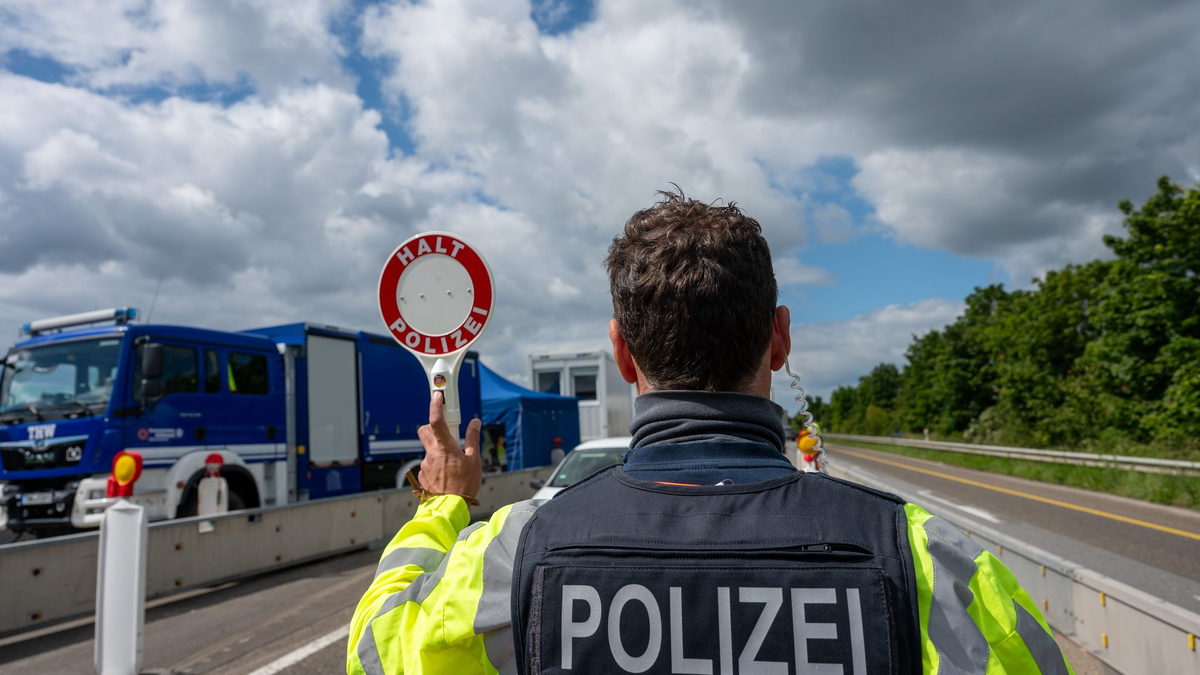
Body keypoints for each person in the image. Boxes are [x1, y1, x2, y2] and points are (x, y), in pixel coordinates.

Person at [347, 191, 1073, 675]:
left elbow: (376, 649)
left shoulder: (517, 558)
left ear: (621, 353)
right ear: (779, 339)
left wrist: (439, 505)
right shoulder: (929, 563)